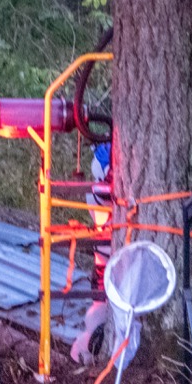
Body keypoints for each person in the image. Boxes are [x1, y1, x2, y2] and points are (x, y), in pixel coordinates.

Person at [70, 142, 115, 365]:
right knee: (99, 315)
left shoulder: (101, 188)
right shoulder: (98, 191)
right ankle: (91, 347)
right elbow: (105, 192)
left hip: (114, 262)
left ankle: (92, 345)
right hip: (107, 265)